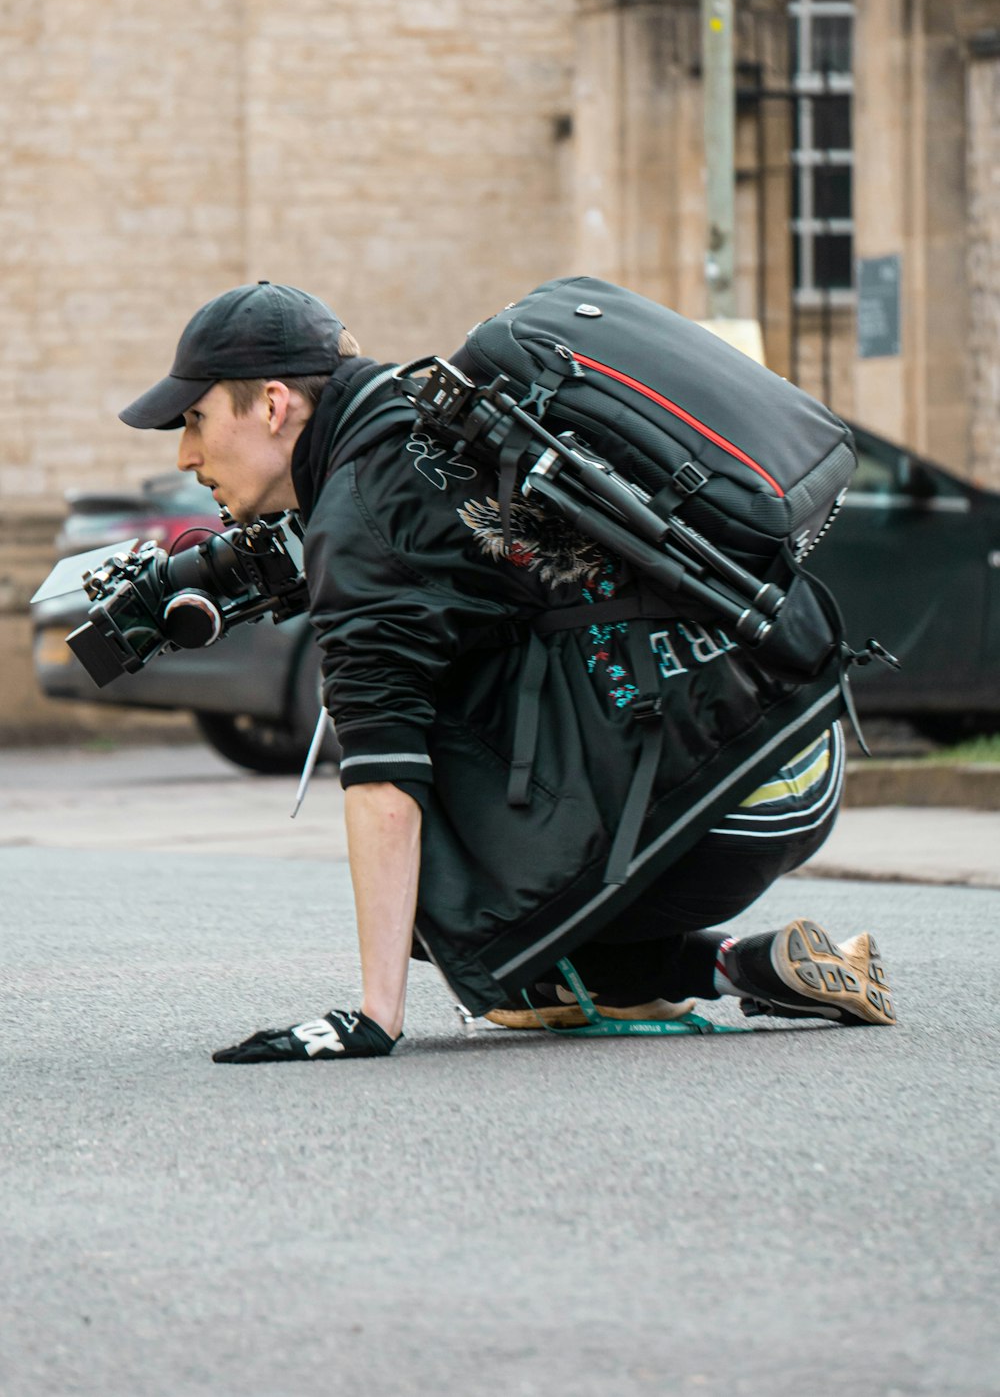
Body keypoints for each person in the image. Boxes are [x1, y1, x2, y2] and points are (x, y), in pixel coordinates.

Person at [119, 280, 896, 1063]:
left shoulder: (367, 517)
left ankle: (649, 964)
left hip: (735, 786)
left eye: (195, 420)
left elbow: (383, 777)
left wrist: (372, 1017)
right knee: (508, 956)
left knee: (452, 908)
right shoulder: (423, 414)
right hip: (787, 744)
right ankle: (750, 966)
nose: (186, 454)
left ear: (274, 404)